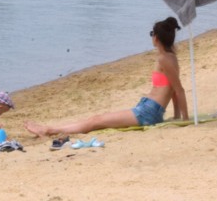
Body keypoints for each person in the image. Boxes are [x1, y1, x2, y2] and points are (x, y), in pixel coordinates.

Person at [24, 17, 188, 137]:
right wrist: (176, 115)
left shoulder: (164, 59)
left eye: (152, 33)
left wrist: (185, 119)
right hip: (148, 109)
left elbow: (179, 90)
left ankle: (48, 130)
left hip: (148, 112)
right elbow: (172, 89)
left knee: (96, 121)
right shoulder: (171, 57)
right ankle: (50, 129)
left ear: (156, 38)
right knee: (97, 119)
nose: (152, 36)